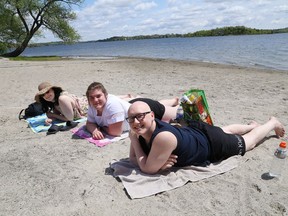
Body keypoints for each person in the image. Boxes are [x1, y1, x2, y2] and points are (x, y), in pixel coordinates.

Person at [127, 101, 286, 174]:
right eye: (131, 118)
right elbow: (136, 159)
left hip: (211, 145)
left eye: (140, 116)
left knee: (247, 143)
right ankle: (252, 126)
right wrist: (153, 162)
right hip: (196, 132)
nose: (135, 122)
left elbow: (146, 167)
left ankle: (272, 123)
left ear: (152, 115)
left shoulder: (162, 137)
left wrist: (135, 143)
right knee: (226, 130)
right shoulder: (141, 129)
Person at [85, 82, 179, 140]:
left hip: (146, 110)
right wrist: (94, 130)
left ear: (105, 95)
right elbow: (89, 123)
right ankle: (173, 100)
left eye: (98, 96)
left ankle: (175, 102)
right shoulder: (92, 105)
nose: (95, 100)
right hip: (132, 105)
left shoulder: (112, 104)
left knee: (177, 113)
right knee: (161, 104)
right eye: (92, 97)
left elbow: (115, 132)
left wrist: (99, 128)